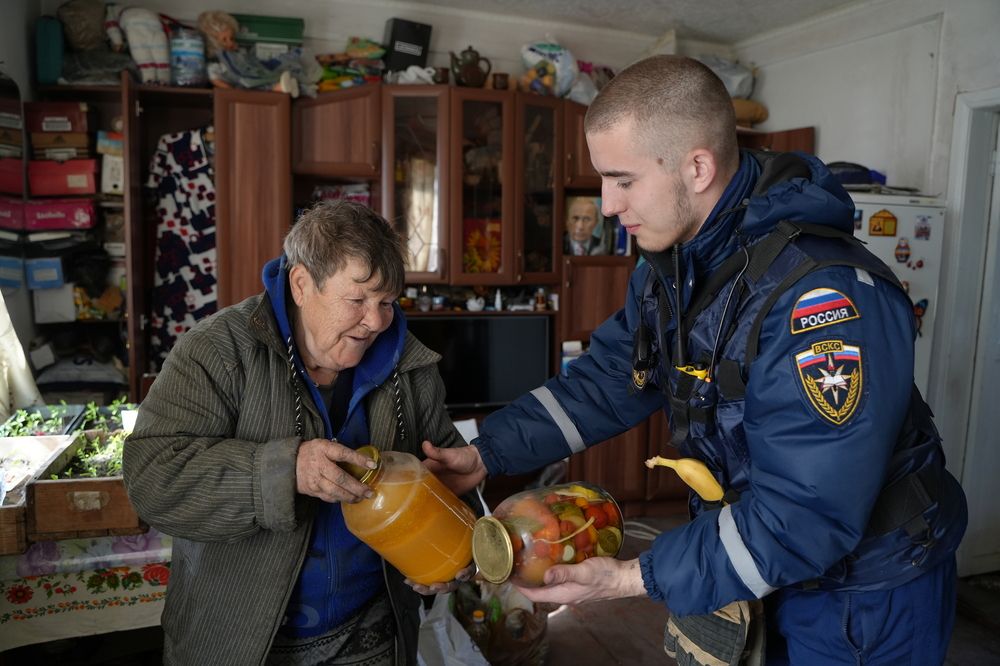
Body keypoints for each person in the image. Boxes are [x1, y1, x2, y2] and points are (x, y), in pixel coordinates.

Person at [424, 55, 967, 665]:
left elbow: (807, 510)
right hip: (772, 561)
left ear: (698, 166)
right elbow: (609, 380)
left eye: (622, 179)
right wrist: (485, 453)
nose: (605, 204)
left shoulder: (821, 299)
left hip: (864, 591)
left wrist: (633, 578)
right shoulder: (673, 266)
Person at [123, 200, 469, 665]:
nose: (376, 322)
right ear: (302, 284)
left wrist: (448, 553)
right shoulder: (217, 351)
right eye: (358, 300)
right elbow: (152, 479)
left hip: (369, 636)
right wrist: (286, 471)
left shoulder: (409, 365)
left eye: (387, 302)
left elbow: (446, 473)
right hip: (240, 644)